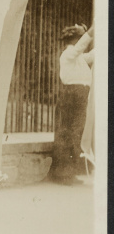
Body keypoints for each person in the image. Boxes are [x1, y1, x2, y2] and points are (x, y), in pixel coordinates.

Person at [49, 24, 94, 186]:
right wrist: (90, 32)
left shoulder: (80, 58)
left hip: (80, 95)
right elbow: (79, 49)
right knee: (66, 132)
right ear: (74, 39)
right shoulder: (68, 53)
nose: (83, 41)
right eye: (80, 37)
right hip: (71, 95)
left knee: (76, 132)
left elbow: (93, 55)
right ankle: (61, 174)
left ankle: (70, 172)